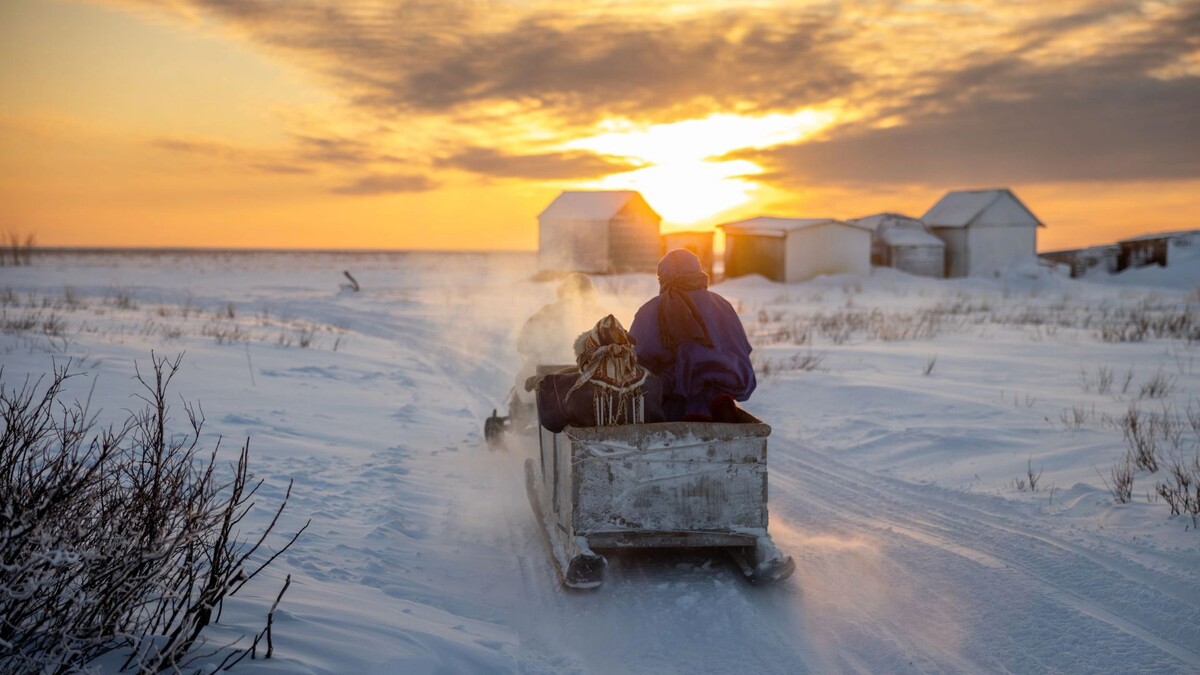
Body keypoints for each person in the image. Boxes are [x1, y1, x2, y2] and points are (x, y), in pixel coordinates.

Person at [629, 249, 755, 422]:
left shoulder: (652, 310)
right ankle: (714, 402)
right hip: (725, 388)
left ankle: (695, 408)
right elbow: (742, 351)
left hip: (673, 404)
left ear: (663, 278)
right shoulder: (722, 305)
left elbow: (636, 361)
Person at [537, 315, 665, 433]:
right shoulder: (651, 383)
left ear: (588, 353)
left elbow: (551, 422)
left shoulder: (564, 387)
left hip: (589, 454)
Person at [513, 273, 607, 410]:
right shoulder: (602, 316)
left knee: (523, 382)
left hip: (548, 375)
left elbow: (523, 343)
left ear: (562, 292)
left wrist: (535, 347)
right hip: (589, 380)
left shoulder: (546, 313)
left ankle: (523, 420)